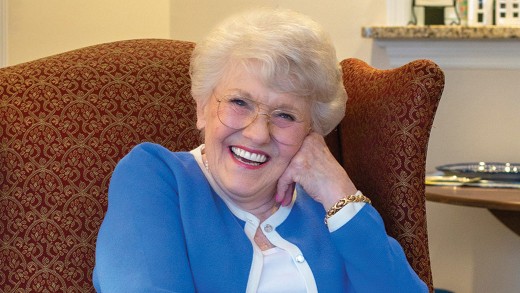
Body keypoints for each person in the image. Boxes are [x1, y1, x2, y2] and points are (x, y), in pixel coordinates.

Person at [93, 8, 428, 293]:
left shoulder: (328, 208)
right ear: (202, 107)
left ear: (312, 131)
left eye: (285, 115)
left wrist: (336, 190)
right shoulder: (156, 177)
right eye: (240, 102)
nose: (256, 133)